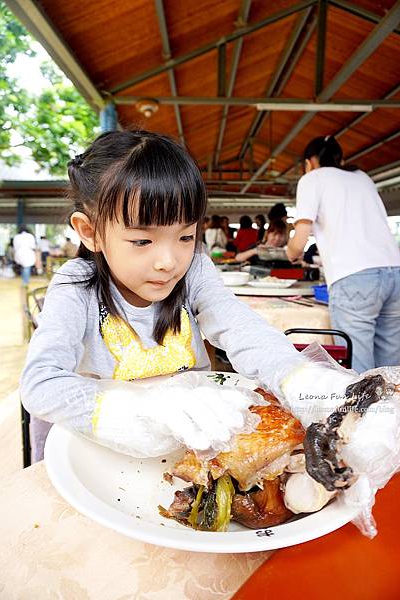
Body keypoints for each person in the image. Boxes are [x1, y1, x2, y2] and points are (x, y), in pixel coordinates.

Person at [21, 130, 358, 462]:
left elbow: (239, 326)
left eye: (185, 236)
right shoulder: (77, 285)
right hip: (104, 452)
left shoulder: (194, 270)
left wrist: (298, 376)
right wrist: (135, 411)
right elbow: (40, 383)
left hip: (190, 445)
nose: (169, 262)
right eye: (142, 241)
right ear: (90, 231)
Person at [287, 135, 400, 373]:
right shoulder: (362, 177)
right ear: (341, 158)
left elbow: (300, 238)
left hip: (354, 277)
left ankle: (363, 410)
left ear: (310, 162)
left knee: (358, 366)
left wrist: (291, 252)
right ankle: (392, 409)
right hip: (394, 272)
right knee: (390, 365)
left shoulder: (312, 179)